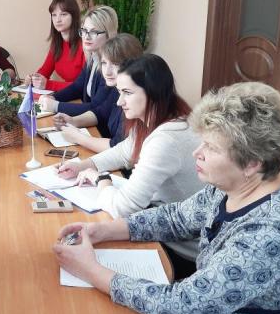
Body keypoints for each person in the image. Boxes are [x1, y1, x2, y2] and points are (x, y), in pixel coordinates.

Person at [53, 81, 280, 314]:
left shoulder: (273, 232)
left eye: (211, 148)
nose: (196, 153)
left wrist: (90, 270)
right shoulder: (234, 184)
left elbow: (181, 308)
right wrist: (102, 231)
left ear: (252, 162)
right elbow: (175, 218)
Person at [57, 54, 203, 273]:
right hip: (161, 224)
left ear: (152, 92)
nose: (119, 102)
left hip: (180, 251)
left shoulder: (166, 139)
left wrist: (102, 180)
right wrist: (84, 165)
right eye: (119, 92)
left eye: (127, 93)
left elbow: (122, 208)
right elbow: (124, 152)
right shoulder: (160, 118)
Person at [53, 33, 143, 153]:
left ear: (133, 64)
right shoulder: (117, 89)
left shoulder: (137, 98)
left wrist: (78, 137)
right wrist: (73, 121)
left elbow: (117, 147)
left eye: (115, 64)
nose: (107, 72)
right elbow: (100, 113)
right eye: (104, 63)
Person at [37, 5, 118, 117]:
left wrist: (56, 106)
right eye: (84, 31)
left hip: (99, 126)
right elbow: (77, 87)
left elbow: (95, 108)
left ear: (109, 34)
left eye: (94, 32)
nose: (86, 37)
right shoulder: (93, 57)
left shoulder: (110, 66)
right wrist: (54, 97)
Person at [24, 0, 85, 91]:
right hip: (68, 95)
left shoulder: (85, 44)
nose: (58, 20)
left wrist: (48, 84)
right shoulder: (57, 43)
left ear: (74, 16)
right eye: (54, 15)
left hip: (82, 97)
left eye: (63, 14)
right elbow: (45, 71)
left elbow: (83, 86)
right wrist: (34, 78)